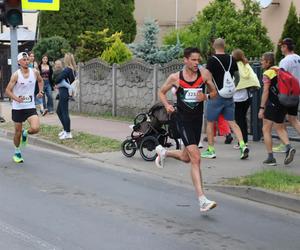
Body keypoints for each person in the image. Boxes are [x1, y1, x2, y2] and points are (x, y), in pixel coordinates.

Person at [155, 47, 218, 212]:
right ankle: (202, 200)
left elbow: (215, 92)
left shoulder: (204, 75)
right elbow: (161, 92)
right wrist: (167, 105)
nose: (197, 63)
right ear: (186, 60)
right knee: (196, 158)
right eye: (194, 60)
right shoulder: (175, 78)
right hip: (182, 120)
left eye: (199, 60)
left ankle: (164, 152)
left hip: (197, 121)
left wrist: (206, 96)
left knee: (186, 157)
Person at [201, 38, 249, 160]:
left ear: (213, 46)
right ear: (225, 46)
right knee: (232, 122)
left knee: (210, 122)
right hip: (229, 96)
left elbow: (207, 78)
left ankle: (211, 150)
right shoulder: (232, 59)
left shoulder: (212, 60)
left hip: (216, 96)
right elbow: (237, 76)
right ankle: (243, 146)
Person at [5, 52, 44, 163]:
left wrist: (41, 91)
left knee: (35, 128)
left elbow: (41, 81)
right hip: (17, 107)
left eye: (27, 59)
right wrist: (16, 98)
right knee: (17, 132)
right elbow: (7, 90)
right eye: (24, 59)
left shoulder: (35, 72)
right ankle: (17, 152)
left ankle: (25, 133)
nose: (26, 61)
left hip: (30, 106)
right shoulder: (16, 75)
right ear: (19, 62)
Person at [259, 52, 296, 166]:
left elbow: (265, 92)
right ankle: (288, 147)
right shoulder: (280, 69)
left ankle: (270, 158)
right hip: (284, 102)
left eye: (262, 60)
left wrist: (261, 108)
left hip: (273, 104)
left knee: (266, 129)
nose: (261, 62)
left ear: (268, 62)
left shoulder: (267, 73)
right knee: (279, 128)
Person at [272, 38, 300, 153]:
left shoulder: (285, 61)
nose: (280, 48)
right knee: (293, 119)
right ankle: (285, 144)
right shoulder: (298, 58)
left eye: (281, 46)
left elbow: (282, 78)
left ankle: (285, 144)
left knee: (279, 120)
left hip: (286, 94)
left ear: (285, 47)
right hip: (296, 92)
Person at [232, 49, 260, 149]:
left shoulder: (235, 66)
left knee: (239, 120)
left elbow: (233, 80)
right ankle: (245, 140)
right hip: (248, 96)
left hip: (237, 97)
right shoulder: (246, 64)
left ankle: (242, 142)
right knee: (243, 119)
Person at [55, 53, 76, 140]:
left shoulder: (67, 69)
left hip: (64, 92)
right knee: (59, 111)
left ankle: (68, 133)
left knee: (64, 112)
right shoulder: (72, 70)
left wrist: (57, 80)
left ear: (67, 60)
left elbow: (58, 79)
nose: (63, 60)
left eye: (64, 59)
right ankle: (65, 129)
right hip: (64, 92)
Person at [28, 51, 47, 116]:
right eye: (31, 56)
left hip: (36, 82)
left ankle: (42, 109)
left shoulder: (35, 63)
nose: (32, 57)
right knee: (32, 96)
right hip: (29, 83)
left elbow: (38, 72)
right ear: (28, 57)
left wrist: (36, 69)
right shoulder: (26, 63)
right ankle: (34, 111)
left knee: (39, 94)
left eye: (33, 56)